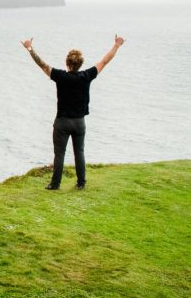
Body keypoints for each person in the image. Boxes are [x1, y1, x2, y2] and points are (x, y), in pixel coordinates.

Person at [21, 34, 125, 190]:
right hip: (79, 122)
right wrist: (117, 45)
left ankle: (55, 184)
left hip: (62, 122)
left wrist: (29, 48)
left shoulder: (60, 76)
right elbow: (105, 61)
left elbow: (42, 64)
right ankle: (81, 183)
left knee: (60, 154)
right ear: (80, 63)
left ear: (67, 63)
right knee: (79, 152)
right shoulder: (87, 75)